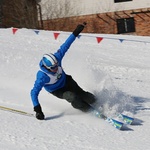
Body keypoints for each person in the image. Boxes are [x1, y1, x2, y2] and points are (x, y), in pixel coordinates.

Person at [30, 22, 96, 120]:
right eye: (53, 67)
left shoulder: (57, 58)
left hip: (67, 81)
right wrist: (38, 109)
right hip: (58, 90)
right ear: (47, 67)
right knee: (72, 97)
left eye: (57, 65)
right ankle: (90, 111)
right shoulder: (42, 76)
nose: (56, 68)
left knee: (85, 96)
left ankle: (97, 102)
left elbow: (66, 45)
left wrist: (76, 32)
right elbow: (33, 93)